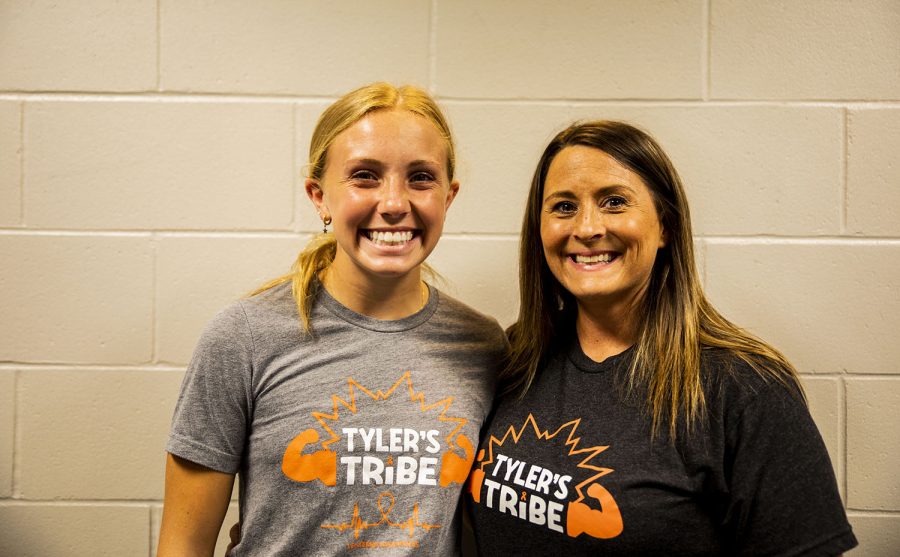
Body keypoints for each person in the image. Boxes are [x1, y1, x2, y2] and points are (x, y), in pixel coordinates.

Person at [466, 121, 858, 555]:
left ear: (665, 226)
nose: (587, 227)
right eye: (563, 207)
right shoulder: (516, 357)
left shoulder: (745, 388)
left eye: (614, 202)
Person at [157, 82, 506, 556]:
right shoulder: (244, 336)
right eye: (365, 176)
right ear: (319, 196)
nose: (394, 203)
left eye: (421, 178)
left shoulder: (485, 347)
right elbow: (182, 546)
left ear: (449, 196)